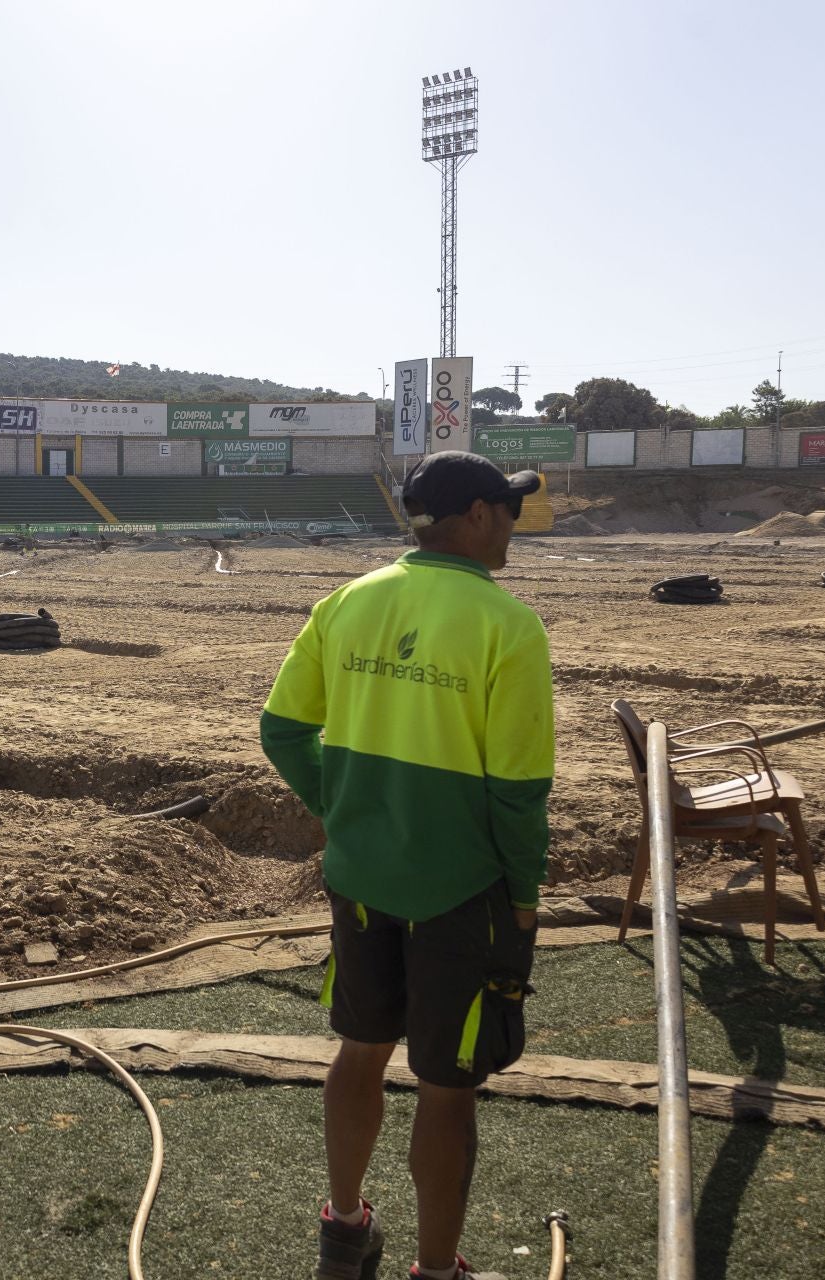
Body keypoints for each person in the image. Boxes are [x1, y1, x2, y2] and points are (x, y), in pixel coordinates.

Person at [260, 451, 554, 1280]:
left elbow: (283, 730)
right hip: (462, 891)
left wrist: (346, 810)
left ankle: (345, 1230)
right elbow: (518, 792)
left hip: (361, 878)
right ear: (477, 516)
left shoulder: (347, 602)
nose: (514, 524)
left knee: (360, 1049)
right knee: (446, 1087)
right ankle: (434, 1270)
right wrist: (524, 895)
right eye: (509, 508)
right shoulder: (509, 625)